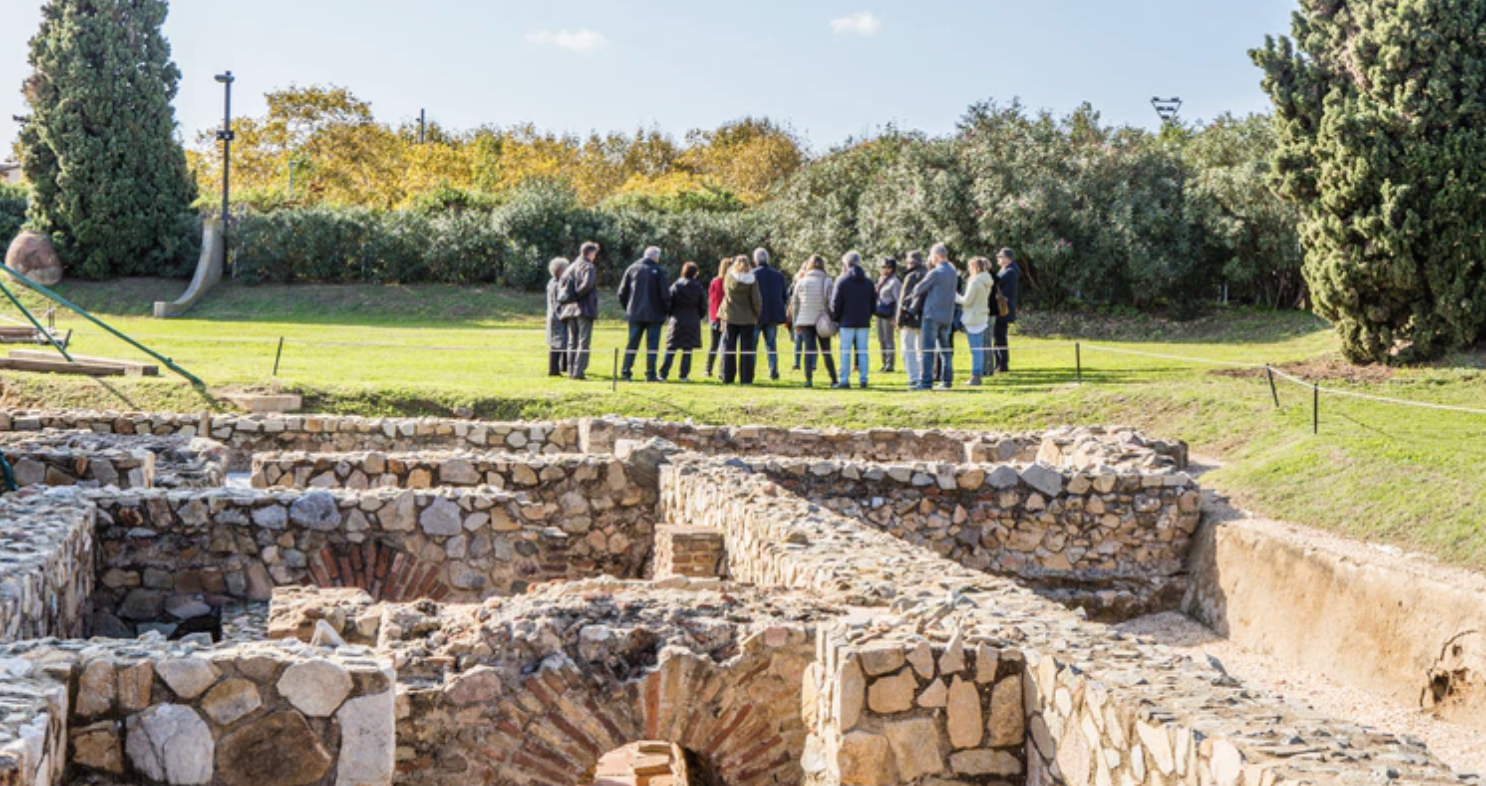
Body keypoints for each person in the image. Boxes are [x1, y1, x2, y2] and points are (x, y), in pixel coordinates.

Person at [617, 246, 672, 382]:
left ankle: (626, 371)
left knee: (632, 344)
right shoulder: (659, 271)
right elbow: (665, 295)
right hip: (654, 314)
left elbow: (621, 293)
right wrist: (666, 310)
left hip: (635, 313)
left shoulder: (632, 269)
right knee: (652, 346)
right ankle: (650, 374)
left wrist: (628, 307)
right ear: (656, 257)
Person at [913, 244, 959, 390]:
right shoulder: (953, 271)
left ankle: (926, 382)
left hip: (931, 315)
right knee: (945, 350)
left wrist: (928, 269)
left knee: (928, 350)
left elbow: (917, 289)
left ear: (936, 256)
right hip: (947, 315)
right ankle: (947, 381)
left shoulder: (935, 272)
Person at [830, 251, 878, 389]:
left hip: (846, 321)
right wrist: (868, 315)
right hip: (863, 321)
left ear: (846, 263)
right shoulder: (868, 282)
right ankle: (864, 379)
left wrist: (836, 318)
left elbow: (836, 303)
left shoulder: (842, 281)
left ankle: (844, 380)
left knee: (845, 352)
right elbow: (873, 303)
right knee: (863, 351)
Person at [789, 254, 837, 388]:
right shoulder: (827, 281)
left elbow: (795, 304)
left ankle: (808, 379)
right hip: (822, 320)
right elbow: (831, 302)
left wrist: (795, 323)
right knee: (826, 350)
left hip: (805, 320)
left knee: (808, 350)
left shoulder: (801, 281)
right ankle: (833, 378)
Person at [557, 241, 600, 380]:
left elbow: (561, 284)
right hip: (584, 308)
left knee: (572, 341)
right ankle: (579, 372)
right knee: (583, 341)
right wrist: (578, 296)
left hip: (569, 309)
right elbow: (587, 285)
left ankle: (570, 370)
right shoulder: (589, 267)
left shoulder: (571, 267)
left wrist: (571, 298)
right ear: (591, 253)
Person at [660, 261, 707, 381]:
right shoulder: (698, 287)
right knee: (688, 349)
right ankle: (684, 375)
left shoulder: (676, 285)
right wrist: (698, 316)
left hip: (677, 319)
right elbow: (703, 306)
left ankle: (663, 373)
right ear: (695, 273)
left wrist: (671, 314)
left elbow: (669, 302)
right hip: (692, 320)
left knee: (671, 348)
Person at [720, 256, 762, 384]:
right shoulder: (752, 279)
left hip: (730, 316)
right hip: (747, 317)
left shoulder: (729, 277)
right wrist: (756, 313)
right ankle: (746, 378)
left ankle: (727, 376)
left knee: (729, 347)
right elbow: (756, 300)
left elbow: (725, 293)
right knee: (747, 349)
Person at [752, 248, 789, 381]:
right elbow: (784, 296)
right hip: (772, 314)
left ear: (755, 260)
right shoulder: (778, 275)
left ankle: (750, 371)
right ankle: (773, 371)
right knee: (771, 344)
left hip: (756, 315)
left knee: (752, 345)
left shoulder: (752, 274)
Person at [957, 256, 995, 385]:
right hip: (982, 315)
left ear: (974, 268)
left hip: (973, 317)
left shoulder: (974, 282)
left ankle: (976, 375)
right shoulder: (986, 281)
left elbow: (967, 301)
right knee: (979, 347)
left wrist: (955, 296)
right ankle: (978, 373)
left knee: (975, 349)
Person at [896, 251, 928, 385]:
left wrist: (899, 319)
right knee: (921, 349)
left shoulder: (910, 276)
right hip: (925, 316)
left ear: (910, 263)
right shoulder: (928, 275)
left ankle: (913, 377)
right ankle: (922, 375)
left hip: (910, 317)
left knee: (908, 349)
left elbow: (904, 299)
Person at [993, 247, 1021, 374]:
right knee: (999, 337)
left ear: (1007, 258)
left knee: (1000, 337)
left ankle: (1002, 364)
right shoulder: (1007, 270)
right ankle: (999, 362)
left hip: (1002, 309)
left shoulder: (1009, 272)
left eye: (1000, 257)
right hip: (1002, 308)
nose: (998, 259)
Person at [545, 257, 570, 377]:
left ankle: (565, 366)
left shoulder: (551, 282)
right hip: (558, 317)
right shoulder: (557, 284)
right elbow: (560, 301)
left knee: (564, 341)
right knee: (556, 344)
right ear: (560, 271)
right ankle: (553, 370)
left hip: (554, 316)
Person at [875, 258, 901, 373]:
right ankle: (883, 362)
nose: (882, 269)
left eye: (884, 267)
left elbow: (898, 300)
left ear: (890, 268)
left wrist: (896, 317)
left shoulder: (894, 282)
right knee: (881, 339)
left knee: (888, 339)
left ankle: (890, 364)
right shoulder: (881, 280)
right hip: (879, 312)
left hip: (889, 313)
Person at [704, 258, 727, 377]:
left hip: (714, 316)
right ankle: (722, 371)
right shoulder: (730, 282)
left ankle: (708, 369)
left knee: (713, 345)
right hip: (725, 317)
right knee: (724, 346)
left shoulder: (715, 282)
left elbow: (710, 297)